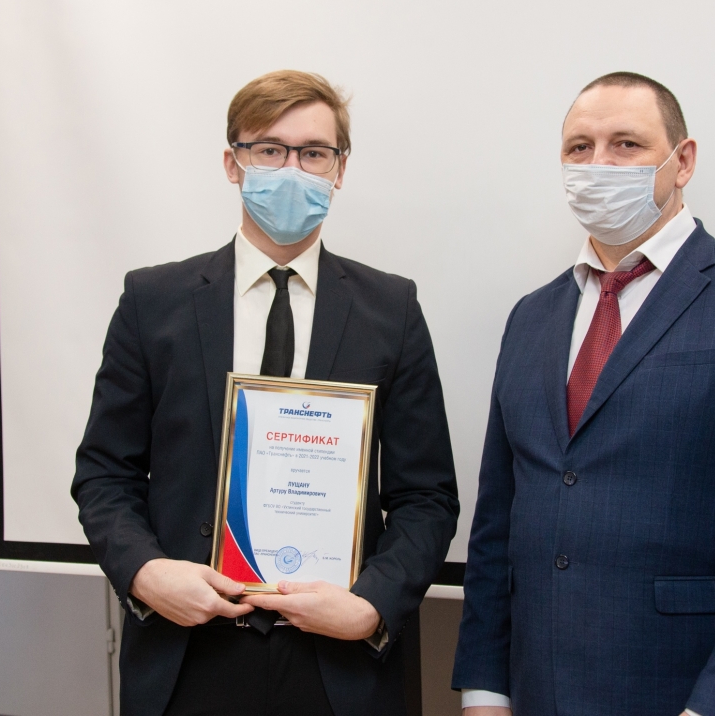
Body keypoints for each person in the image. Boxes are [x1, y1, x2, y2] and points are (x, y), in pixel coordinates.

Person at [452, 72, 715, 716]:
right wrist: (485, 688)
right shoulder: (531, 317)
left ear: (682, 161)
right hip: (539, 690)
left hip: (694, 691)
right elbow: (499, 520)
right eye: (579, 148)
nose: (598, 165)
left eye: (627, 144)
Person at [72, 70, 459, 716]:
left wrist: (370, 606)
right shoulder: (153, 301)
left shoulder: (392, 310)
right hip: (186, 655)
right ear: (233, 164)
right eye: (270, 150)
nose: (292, 170)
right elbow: (104, 474)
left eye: (314, 153)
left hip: (339, 666)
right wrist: (147, 574)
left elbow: (427, 496)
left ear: (339, 170)